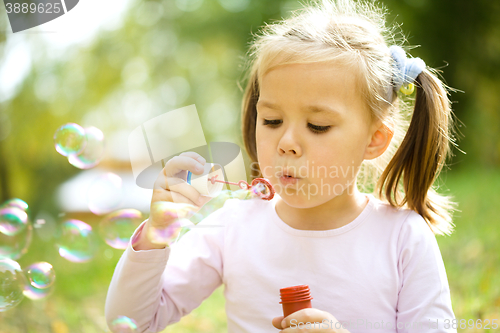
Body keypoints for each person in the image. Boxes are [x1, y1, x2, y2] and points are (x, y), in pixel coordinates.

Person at [105, 0, 460, 332]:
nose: (286, 142)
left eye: (317, 126)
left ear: (374, 139)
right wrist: (155, 237)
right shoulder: (232, 227)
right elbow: (133, 322)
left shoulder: (402, 239)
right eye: (272, 120)